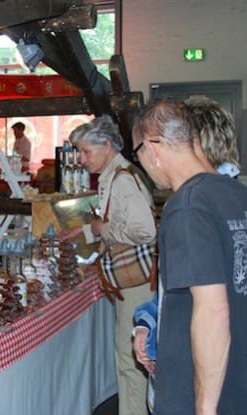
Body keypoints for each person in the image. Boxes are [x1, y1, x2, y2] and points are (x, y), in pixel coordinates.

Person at [131, 97, 247, 415]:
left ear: (151, 150)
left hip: (200, 392)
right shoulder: (238, 194)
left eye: (137, 153)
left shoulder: (187, 204)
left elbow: (213, 311)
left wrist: (205, 409)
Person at [59, 115, 156, 415]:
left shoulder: (123, 179)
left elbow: (146, 230)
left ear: (108, 145)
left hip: (136, 287)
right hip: (133, 284)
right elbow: (117, 221)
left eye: (87, 152)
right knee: (130, 361)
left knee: (131, 363)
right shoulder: (115, 176)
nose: (82, 159)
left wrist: (102, 231)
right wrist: (87, 231)